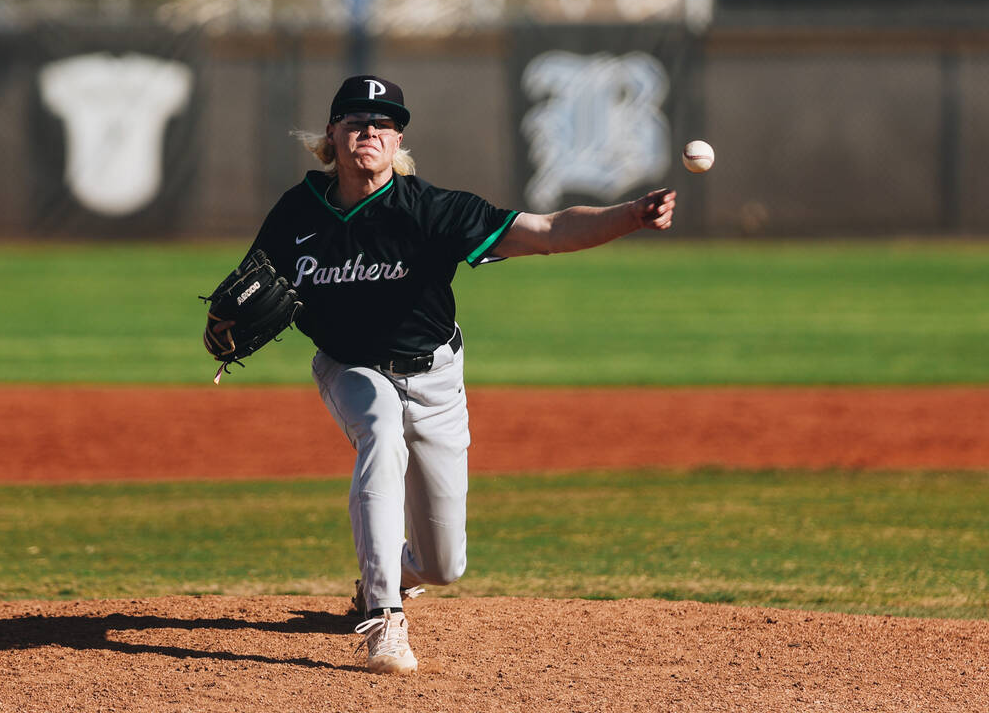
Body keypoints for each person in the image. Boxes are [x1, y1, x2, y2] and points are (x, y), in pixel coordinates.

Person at [206, 75, 676, 675]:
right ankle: (383, 617)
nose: (368, 131)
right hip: (349, 368)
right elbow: (246, 290)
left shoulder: (430, 210)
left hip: (436, 382)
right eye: (354, 120)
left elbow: (550, 232)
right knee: (379, 430)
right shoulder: (298, 212)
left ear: (398, 137)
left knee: (443, 565)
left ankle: (390, 575)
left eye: (382, 122)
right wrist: (223, 327)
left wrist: (630, 215)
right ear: (332, 134)